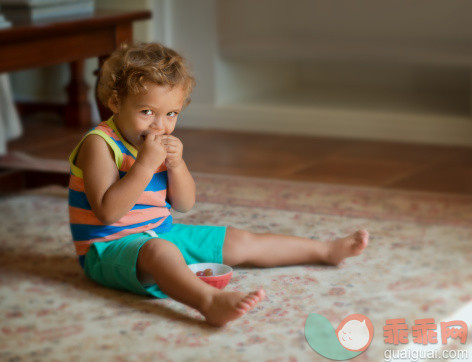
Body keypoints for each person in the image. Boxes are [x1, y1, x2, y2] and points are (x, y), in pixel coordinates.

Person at [68, 42, 369, 327]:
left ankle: (326, 250)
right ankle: (209, 301)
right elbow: (108, 213)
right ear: (116, 101)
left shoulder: (155, 144)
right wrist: (146, 164)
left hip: (162, 231)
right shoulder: (100, 144)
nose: (159, 125)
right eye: (147, 112)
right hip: (107, 250)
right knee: (159, 252)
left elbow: (185, 204)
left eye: (171, 114)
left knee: (237, 241)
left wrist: (177, 164)